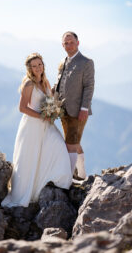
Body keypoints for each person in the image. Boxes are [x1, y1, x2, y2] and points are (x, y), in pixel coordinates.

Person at [1, 53, 72, 208]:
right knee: (31, 157)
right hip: (32, 126)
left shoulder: (44, 81)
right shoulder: (28, 84)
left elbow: (50, 99)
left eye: (40, 64)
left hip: (46, 124)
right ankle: (27, 191)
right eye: (34, 66)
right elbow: (22, 107)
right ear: (29, 68)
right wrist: (41, 115)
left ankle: (55, 180)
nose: (38, 67)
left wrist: (54, 108)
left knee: (58, 146)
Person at [53, 32, 95, 179]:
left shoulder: (86, 62)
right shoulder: (63, 62)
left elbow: (89, 86)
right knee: (73, 141)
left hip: (78, 110)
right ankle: (82, 173)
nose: (69, 45)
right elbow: (59, 84)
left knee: (70, 143)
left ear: (78, 43)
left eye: (71, 42)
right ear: (62, 45)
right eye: (66, 43)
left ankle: (68, 177)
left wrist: (84, 108)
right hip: (63, 110)